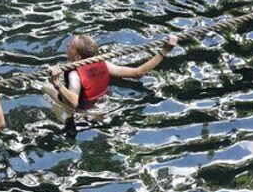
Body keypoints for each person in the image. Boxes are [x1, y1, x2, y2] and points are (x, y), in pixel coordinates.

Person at [45, 34, 180, 134]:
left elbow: (73, 102)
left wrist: (57, 83)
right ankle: (89, 116)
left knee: (46, 87)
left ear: (78, 58)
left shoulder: (74, 75)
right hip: (102, 104)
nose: (67, 46)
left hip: (83, 108)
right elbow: (138, 72)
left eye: (71, 46)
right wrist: (164, 52)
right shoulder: (104, 64)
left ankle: (69, 120)